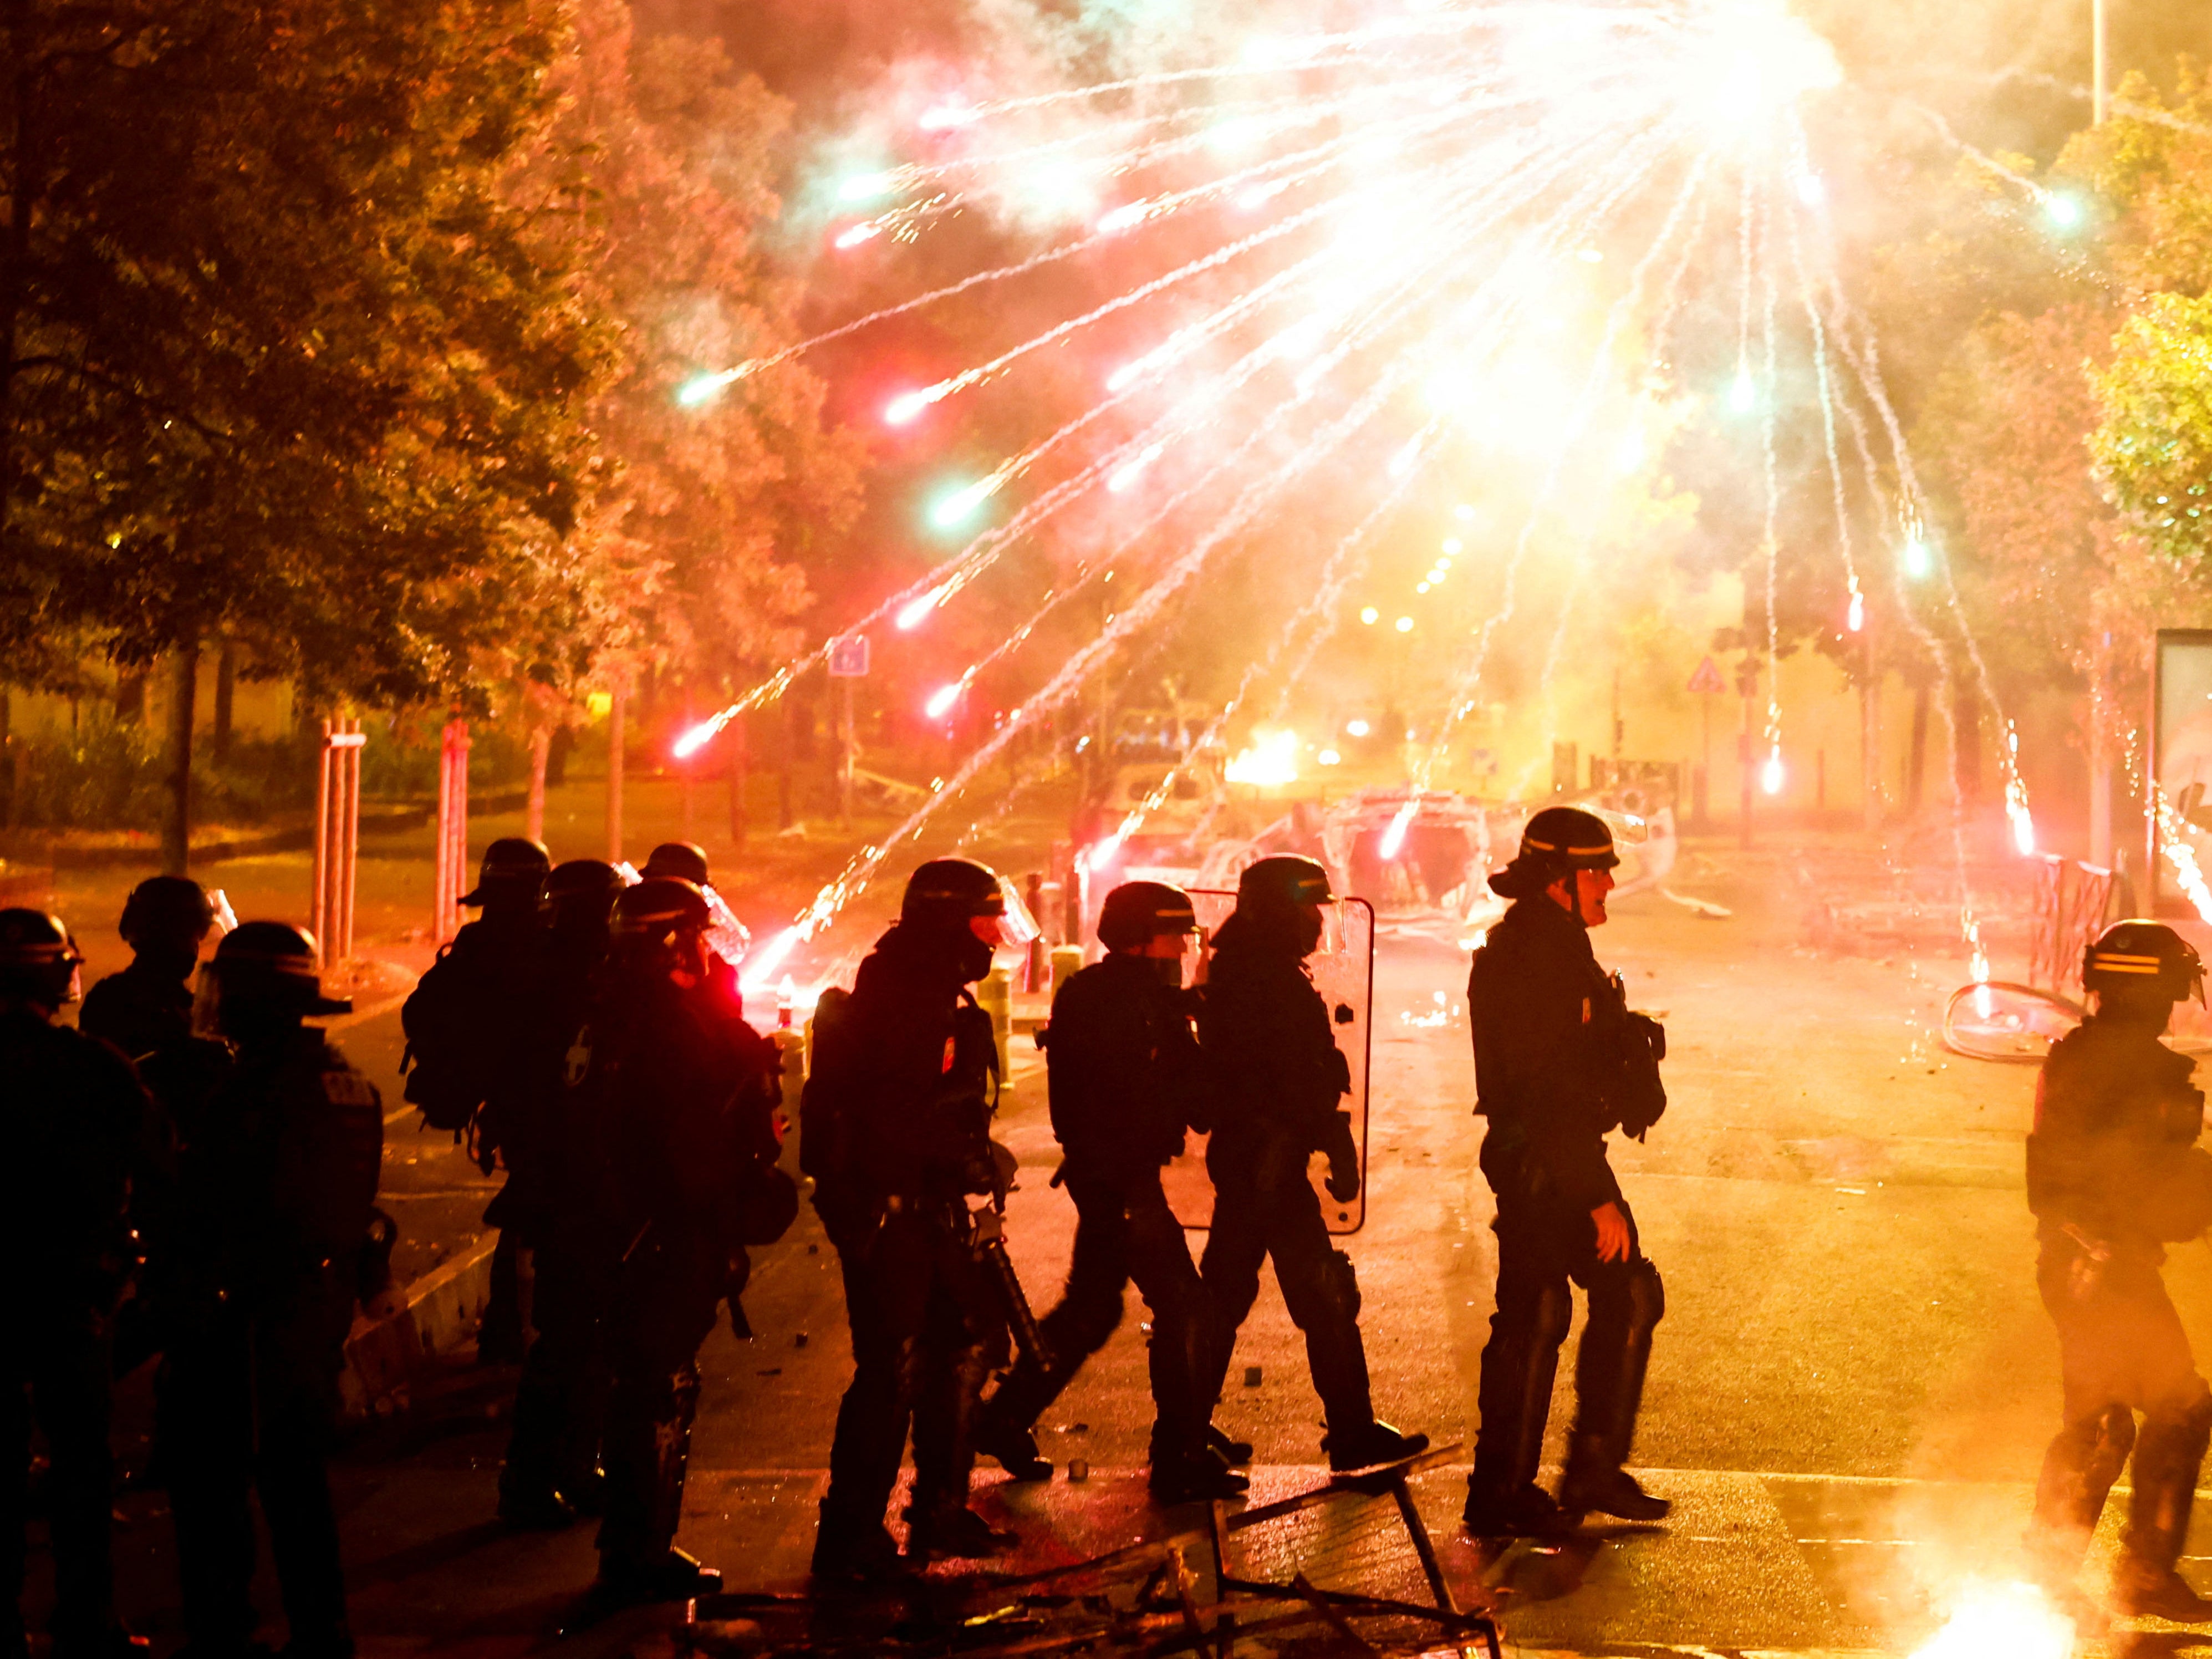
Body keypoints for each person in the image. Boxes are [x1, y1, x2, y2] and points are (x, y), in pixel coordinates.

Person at [978, 881, 1244, 1503]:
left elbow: (1197, 1092)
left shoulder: (1137, 999)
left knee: (1091, 1311)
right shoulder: (1111, 1002)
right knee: (1186, 1308)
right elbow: (1145, 1091)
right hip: (1120, 1178)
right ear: (1137, 938)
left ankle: (1003, 1417)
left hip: (1116, 1175)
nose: (1183, 948)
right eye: (1174, 936)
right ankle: (1179, 1455)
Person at [160, 923, 381, 1659]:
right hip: (311, 1311)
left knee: (214, 1481)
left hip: (247, 1314)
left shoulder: (250, 1093)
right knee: (297, 1482)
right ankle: (324, 1631)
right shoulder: (346, 1080)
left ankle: (226, 1631)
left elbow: (215, 1205)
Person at [569, 878, 782, 1607]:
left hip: (628, 1231)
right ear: (666, 946)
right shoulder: (666, 1028)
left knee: (646, 1387)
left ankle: (635, 1547)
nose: (702, 948)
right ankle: (637, 1555)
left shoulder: (616, 1012)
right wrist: (726, 1216)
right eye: (692, 936)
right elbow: (691, 1150)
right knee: (658, 1392)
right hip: (662, 1237)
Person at [807, 859, 1022, 1578]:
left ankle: (936, 1510)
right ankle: (850, 1534)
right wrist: (967, 1158)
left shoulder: (924, 990)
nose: (991, 936)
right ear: (945, 923)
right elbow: (895, 1115)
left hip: (921, 1207)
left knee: (957, 1350)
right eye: (980, 921)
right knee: (891, 1371)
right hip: (892, 1212)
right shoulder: (904, 1000)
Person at [1462, 806, 1668, 1538]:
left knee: (1553, 1308)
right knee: (1557, 1310)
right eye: (1597, 869)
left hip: (1554, 1157)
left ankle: (1555, 1478)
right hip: (1547, 1163)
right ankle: (1527, 1487)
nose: (1610, 881)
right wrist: (1595, 1198)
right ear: (1559, 878)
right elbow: (1546, 1092)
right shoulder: (1533, 960)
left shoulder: (1553, 946)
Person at [1196, 856, 1428, 1473]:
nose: (1318, 919)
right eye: (1308, 907)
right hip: (1264, 1160)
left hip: (1265, 1158)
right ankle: (1346, 1432)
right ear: (1279, 909)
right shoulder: (1255, 978)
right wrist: (1324, 1136)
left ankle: (1186, 1431)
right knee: (1310, 1294)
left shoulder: (1258, 971)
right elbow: (1280, 1078)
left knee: (1236, 1294)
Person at [2026, 920, 2212, 1622]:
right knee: (2174, 1408)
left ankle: (2058, 1564)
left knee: (2110, 1420)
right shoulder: (2118, 1066)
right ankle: (2133, 1572)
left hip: (2091, 1260)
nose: (2176, 1002)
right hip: (2099, 1265)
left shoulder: (2096, 1056)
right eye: (2169, 987)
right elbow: (2134, 1180)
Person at [1, 909, 153, 1659]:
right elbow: (159, 1169)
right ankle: (86, 1619)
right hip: (69, 1293)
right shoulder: (94, 1066)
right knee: (81, 1467)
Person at [497, 859, 629, 1529]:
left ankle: (571, 1469)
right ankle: (535, 1479)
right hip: (572, 1190)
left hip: (565, 1185)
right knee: (571, 1339)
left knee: (584, 1340)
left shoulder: (550, 980)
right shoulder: (568, 990)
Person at [401, 837, 550, 1363]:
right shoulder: (555, 951)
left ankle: (510, 1332)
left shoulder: (474, 948)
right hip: (544, 1106)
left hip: (501, 1105)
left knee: (526, 1215)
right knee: (537, 1215)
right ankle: (520, 1333)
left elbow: (419, 1013)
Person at [79, 877, 225, 1061]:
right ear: (173, 934)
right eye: (193, 936)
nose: (196, 948)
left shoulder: (109, 995)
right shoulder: (158, 1006)